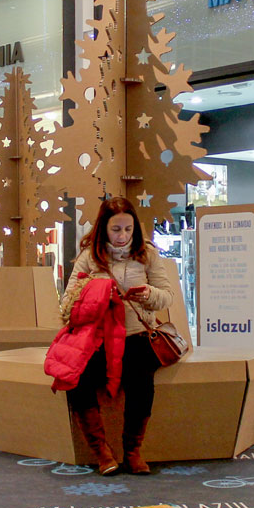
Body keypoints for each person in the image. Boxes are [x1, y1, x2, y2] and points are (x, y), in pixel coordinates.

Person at [51, 197, 175, 476]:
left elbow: (167, 296)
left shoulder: (148, 254)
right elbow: (68, 301)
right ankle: (102, 453)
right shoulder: (89, 256)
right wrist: (95, 295)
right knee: (76, 379)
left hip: (137, 334)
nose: (123, 236)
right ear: (103, 228)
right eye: (116, 229)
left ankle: (132, 452)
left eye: (128, 229)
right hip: (96, 338)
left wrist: (148, 294)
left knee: (142, 384)